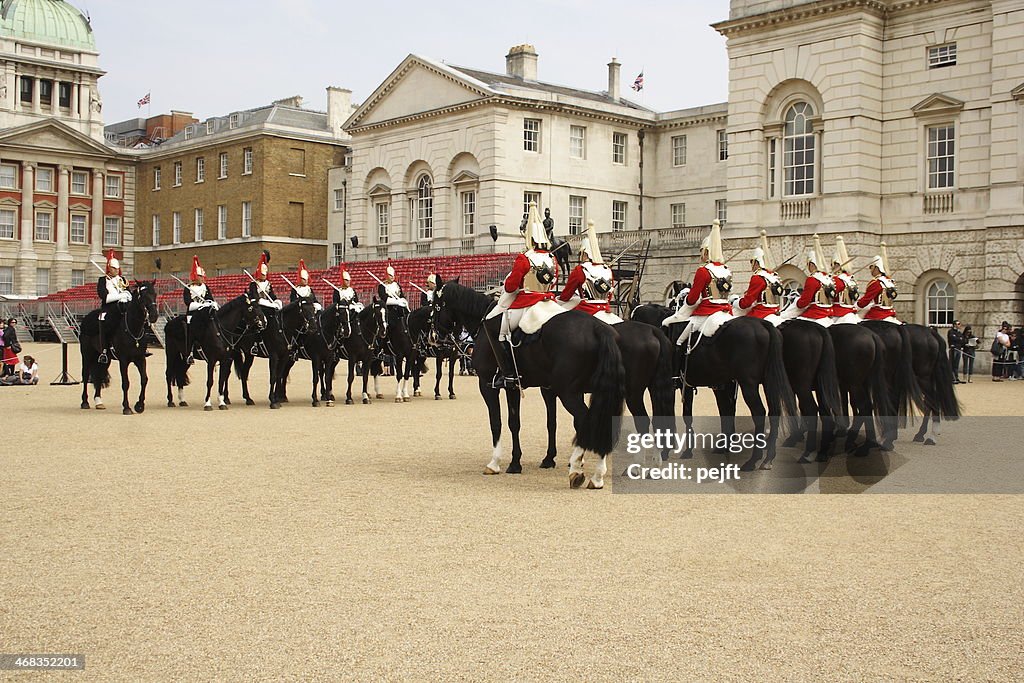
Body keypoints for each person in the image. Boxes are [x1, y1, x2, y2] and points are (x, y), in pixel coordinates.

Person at [483, 202, 559, 388]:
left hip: (527, 302)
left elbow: (510, 287)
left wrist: (515, 285)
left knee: (499, 332)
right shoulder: (551, 258)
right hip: (548, 301)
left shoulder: (525, 258)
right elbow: (555, 281)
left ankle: (509, 375)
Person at [661, 219, 734, 342]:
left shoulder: (703, 270)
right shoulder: (727, 270)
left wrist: (688, 299)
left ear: (706, 252)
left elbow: (692, 300)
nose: (701, 256)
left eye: (702, 252)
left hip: (707, 312)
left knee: (680, 340)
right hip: (726, 311)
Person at [558, 219, 622, 325]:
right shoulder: (607, 269)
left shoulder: (580, 270)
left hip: (586, 310)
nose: (580, 257)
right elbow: (609, 295)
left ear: (585, 253)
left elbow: (566, 295)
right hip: (605, 308)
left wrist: (559, 300)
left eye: (581, 254)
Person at [779, 233, 834, 326]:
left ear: (812, 264)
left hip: (815, 314)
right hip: (828, 314)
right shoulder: (828, 279)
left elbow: (803, 303)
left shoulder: (812, 279)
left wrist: (797, 302)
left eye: (808, 265)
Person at [736, 229, 783, 326]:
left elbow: (747, 303)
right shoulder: (774, 276)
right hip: (775, 310)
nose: (752, 265)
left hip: (762, 312)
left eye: (752, 262)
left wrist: (736, 302)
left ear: (756, 262)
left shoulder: (758, 277)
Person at [96, 250, 131, 364]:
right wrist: (121, 295)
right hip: (110, 309)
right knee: (104, 321)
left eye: (117, 268)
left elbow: (129, 293)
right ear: (109, 268)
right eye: (114, 268)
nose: (116, 270)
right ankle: (105, 350)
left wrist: (127, 296)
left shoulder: (123, 280)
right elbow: (105, 298)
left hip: (124, 307)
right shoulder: (103, 280)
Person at [856, 243, 902, 324]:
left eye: (871, 267)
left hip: (878, 314)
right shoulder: (890, 282)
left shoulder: (876, 283)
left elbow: (865, 301)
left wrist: (855, 307)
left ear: (876, 268)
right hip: (890, 312)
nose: (870, 270)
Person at [184, 256, 218, 365]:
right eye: (201, 276)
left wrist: (211, 303)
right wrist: (202, 304)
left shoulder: (205, 287)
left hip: (204, 314)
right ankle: (189, 353)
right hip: (193, 314)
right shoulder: (188, 288)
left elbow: (210, 298)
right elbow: (188, 303)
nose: (203, 278)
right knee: (190, 331)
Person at [829, 236, 861, 325]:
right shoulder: (851, 279)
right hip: (852, 312)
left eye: (832, 264)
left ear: (836, 264)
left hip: (838, 313)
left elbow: (829, 297)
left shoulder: (836, 280)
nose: (832, 267)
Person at [377, 264, 408, 328]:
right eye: (390, 275)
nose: (392, 277)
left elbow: (401, 295)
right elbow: (385, 299)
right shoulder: (382, 286)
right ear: (386, 275)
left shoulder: (397, 285)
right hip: (389, 309)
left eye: (393, 275)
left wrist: (403, 300)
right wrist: (397, 302)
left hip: (399, 308)